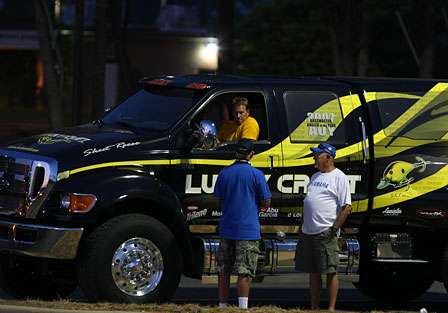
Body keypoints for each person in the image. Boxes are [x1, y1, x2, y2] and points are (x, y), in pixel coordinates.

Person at [214, 139, 271, 309]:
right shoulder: (257, 174)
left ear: (236, 153)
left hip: (227, 228)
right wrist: (258, 207)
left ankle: (222, 305)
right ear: (251, 154)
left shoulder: (224, 173)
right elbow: (266, 201)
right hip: (248, 230)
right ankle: (242, 308)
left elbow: (218, 199)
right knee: (244, 271)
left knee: (223, 270)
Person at [295, 143, 352, 312]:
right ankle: (314, 307)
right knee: (313, 271)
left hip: (325, 231)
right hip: (308, 231)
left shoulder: (338, 177)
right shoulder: (315, 177)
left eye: (318, 154)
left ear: (328, 157)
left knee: (330, 270)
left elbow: (346, 207)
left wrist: (333, 229)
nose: (314, 157)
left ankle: (331, 308)